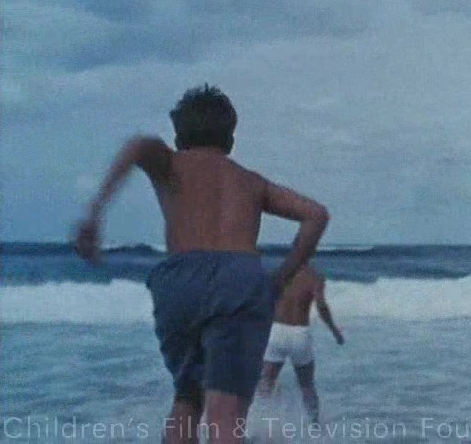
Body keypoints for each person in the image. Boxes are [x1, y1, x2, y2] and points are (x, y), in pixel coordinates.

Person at [74, 84, 330, 444]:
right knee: (227, 415)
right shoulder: (252, 182)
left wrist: (95, 213)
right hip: (239, 280)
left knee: (188, 397)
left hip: (180, 279)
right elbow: (316, 214)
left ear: (179, 135)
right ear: (231, 139)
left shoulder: (171, 163)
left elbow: (137, 146)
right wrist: (280, 279)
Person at [258, 266, 344, 424]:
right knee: (306, 384)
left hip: (276, 331)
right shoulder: (314, 277)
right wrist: (334, 330)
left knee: (266, 381)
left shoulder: (278, 273)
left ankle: (263, 422)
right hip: (299, 334)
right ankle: (314, 426)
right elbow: (321, 306)